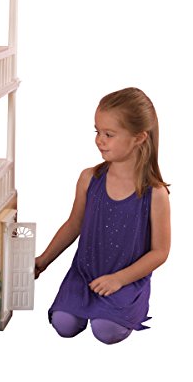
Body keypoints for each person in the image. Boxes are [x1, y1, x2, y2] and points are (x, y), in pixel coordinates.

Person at [35, 87, 170, 344]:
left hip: (126, 277)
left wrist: (120, 279)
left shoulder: (154, 193)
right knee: (63, 324)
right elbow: (74, 224)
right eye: (97, 131)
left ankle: (129, 304)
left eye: (109, 134)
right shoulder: (89, 178)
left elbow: (160, 252)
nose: (100, 140)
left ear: (139, 137)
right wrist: (43, 260)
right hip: (85, 273)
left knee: (106, 331)